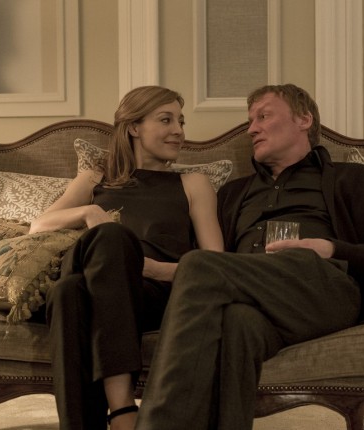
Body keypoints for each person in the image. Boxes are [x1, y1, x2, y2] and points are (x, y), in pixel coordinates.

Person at [134, 83, 364, 430]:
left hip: (322, 288)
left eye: (263, 117)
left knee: (199, 264)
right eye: (250, 121)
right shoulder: (234, 193)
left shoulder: (354, 179)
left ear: (304, 120)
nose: (252, 129)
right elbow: (218, 266)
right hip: (252, 297)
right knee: (237, 323)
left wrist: (329, 248)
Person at [29, 86, 224, 430]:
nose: (178, 130)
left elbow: (216, 266)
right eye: (166, 120)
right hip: (94, 279)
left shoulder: (193, 183)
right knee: (103, 246)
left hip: (151, 294)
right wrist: (90, 211)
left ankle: (110, 414)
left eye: (180, 121)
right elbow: (38, 226)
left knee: (68, 293)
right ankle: (120, 411)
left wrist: (147, 268)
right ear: (134, 127)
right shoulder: (95, 178)